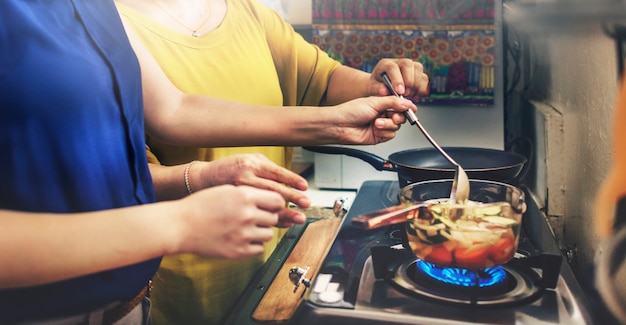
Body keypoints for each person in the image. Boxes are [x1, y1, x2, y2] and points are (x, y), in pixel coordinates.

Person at [0, 1, 418, 324]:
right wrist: (179, 219)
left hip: (127, 304)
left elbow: (173, 110)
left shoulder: (93, 8)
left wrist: (333, 122)